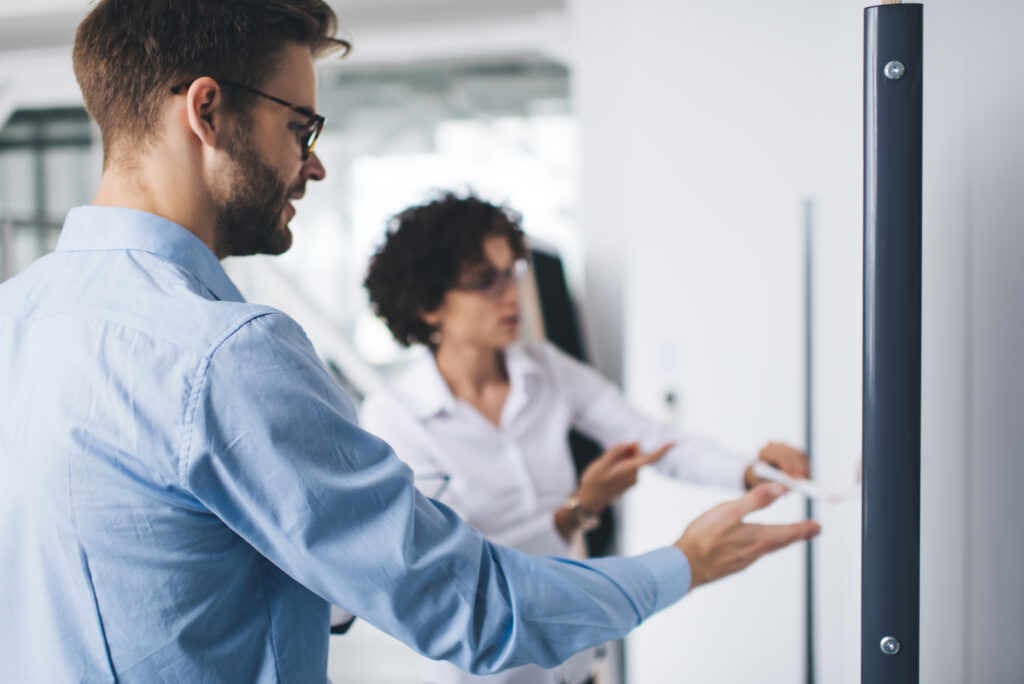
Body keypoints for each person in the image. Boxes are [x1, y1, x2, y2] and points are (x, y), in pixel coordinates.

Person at [0, 1, 819, 682]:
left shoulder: (16, 317)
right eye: (301, 127)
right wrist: (686, 563)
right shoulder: (224, 354)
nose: (312, 167)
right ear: (207, 111)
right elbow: (474, 608)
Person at [360, 192, 812, 684]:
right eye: (484, 281)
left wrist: (751, 469)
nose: (510, 293)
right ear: (427, 304)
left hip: (575, 665)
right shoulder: (396, 416)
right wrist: (578, 509)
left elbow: (656, 441)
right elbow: (451, 566)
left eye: (511, 271)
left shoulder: (547, 370)